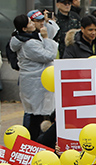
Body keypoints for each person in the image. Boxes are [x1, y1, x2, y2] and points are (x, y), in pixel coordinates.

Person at [10, 11, 57, 143]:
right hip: (35, 84)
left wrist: (47, 24)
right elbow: (49, 55)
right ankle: (31, 144)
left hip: (38, 83)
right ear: (24, 28)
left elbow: (51, 34)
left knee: (37, 113)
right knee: (34, 116)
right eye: (31, 22)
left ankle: (34, 142)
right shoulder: (29, 43)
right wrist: (46, 38)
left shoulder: (25, 37)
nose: (34, 24)